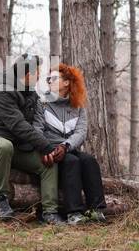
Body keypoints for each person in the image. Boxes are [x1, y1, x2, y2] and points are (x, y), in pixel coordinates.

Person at [0, 55, 64, 225]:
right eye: (37, 72)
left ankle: (49, 212)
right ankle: (2, 199)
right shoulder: (3, 92)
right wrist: (45, 146)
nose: (39, 75)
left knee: (48, 163)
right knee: (4, 146)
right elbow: (18, 125)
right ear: (27, 75)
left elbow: (35, 125)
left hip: (20, 146)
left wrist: (46, 150)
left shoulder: (31, 93)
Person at [35, 63, 107, 225]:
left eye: (54, 78)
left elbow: (81, 132)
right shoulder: (42, 103)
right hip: (50, 151)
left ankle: (96, 210)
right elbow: (36, 129)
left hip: (68, 148)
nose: (49, 81)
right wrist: (45, 149)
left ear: (67, 82)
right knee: (71, 161)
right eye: (48, 78)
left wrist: (66, 146)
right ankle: (74, 213)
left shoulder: (78, 106)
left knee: (89, 160)